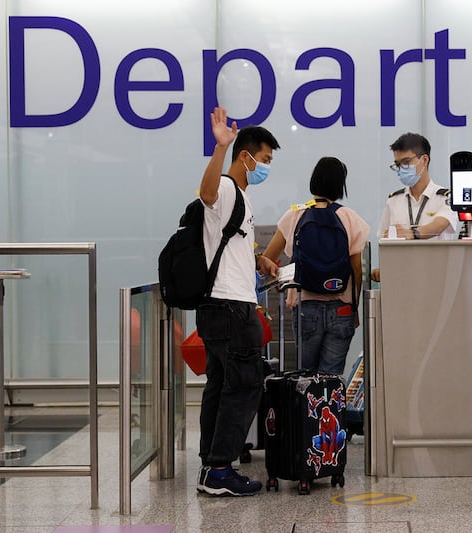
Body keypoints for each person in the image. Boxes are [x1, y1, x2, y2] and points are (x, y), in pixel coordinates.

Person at [195, 106, 280, 497]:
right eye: (263, 159)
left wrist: (259, 259)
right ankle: (220, 468)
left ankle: (210, 463)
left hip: (219, 305)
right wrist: (219, 148)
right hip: (231, 307)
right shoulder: (229, 188)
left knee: (220, 384)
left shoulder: (241, 199)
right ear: (245, 156)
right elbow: (207, 193)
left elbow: (227, 247)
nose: (266, 167)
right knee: (244, 385)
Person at [263, 157, 370, 374]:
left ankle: (306, 408)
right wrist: (354, 307)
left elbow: (267, 258)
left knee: (306, 377)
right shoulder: (350, 218)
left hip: (305, 306)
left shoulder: (294, 215)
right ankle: (328, 407)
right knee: (331, 376)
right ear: (340, 185)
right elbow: (357, 270)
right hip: (341, 308)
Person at [370, 132, 457, 282]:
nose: (401, 168)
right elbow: (383, 240)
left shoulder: (445, 197)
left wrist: (412, 234)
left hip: (435, 279)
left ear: (424, 160)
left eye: (406, 162)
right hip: (400, 279)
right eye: (397, 164)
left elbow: (439, 225)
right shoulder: (394, 200)